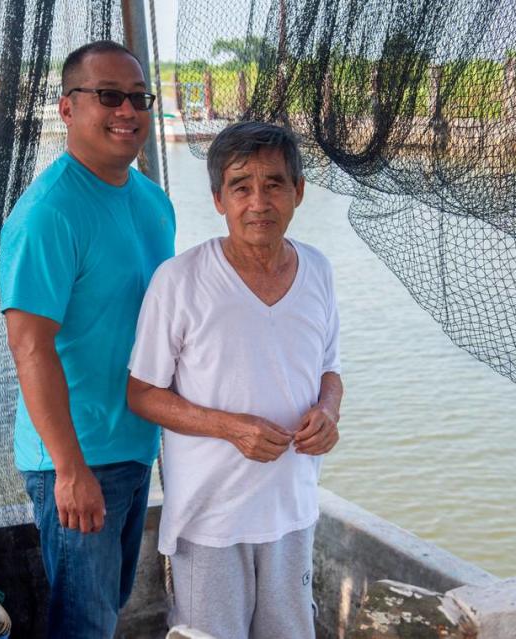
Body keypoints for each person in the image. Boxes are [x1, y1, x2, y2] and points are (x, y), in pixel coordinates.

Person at [127, 122, 343, 639]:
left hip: (292, 510)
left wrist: (330, 411)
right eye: (241, 187)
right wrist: (231, 428)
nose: (259, 201)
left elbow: (330, 370)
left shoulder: (319, 269)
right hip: (211, 518)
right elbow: (141, 394)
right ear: (219, 199)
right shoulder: (179, 280)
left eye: (274, 184)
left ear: (299, 192)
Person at [0, 40, 175, 638]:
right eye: (108, 96)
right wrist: (70, 469)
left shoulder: (154, 202)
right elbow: (29, 345)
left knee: (109, 608)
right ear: (67, 109)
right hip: (75, 461)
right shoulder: (49, 212)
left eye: (137, 97)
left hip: (133, 446)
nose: (126, 110)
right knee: (83, 624)